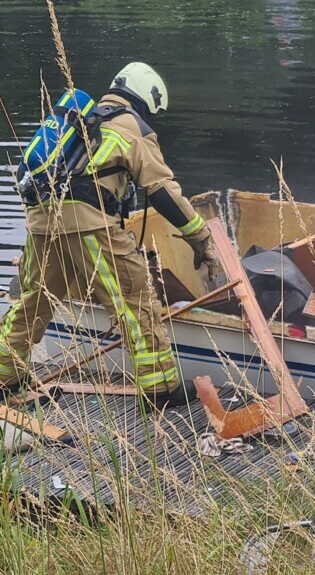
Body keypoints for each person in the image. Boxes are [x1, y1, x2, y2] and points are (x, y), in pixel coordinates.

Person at [0, 63, 216, 408]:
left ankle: (4, 377)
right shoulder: (131, 125)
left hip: (41, 223)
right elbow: (161, 190)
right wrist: (200, 237)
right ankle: (160, 388)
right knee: (135, 299)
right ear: (148, 98)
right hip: (88, 225)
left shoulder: (83, 121)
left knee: (33, 300)